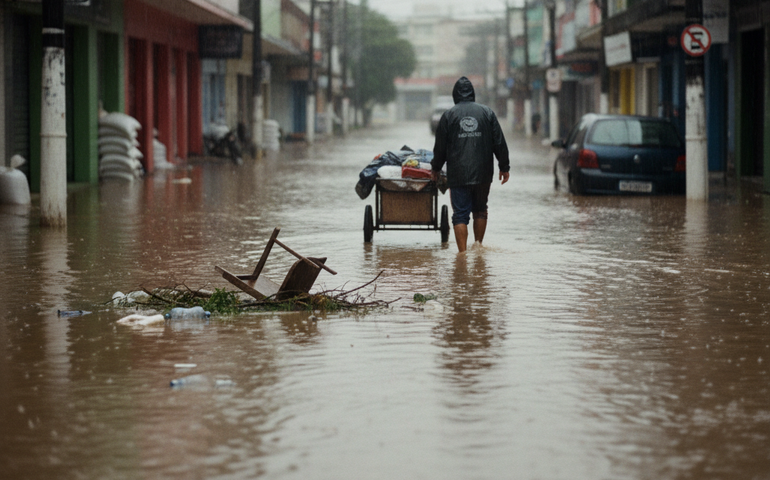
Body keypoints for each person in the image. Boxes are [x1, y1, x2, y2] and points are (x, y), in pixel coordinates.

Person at [431, 76, 510, 253]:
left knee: (460, 215)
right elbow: (499, 142)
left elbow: (440, 148)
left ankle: (462, 256)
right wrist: (504, 167)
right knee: (480, 210)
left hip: (458, 174)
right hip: (483, 173)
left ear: (455, 95)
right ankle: (478, 247)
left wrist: (435, 168)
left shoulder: (448, 115)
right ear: (472, 93)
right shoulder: (487, 113)